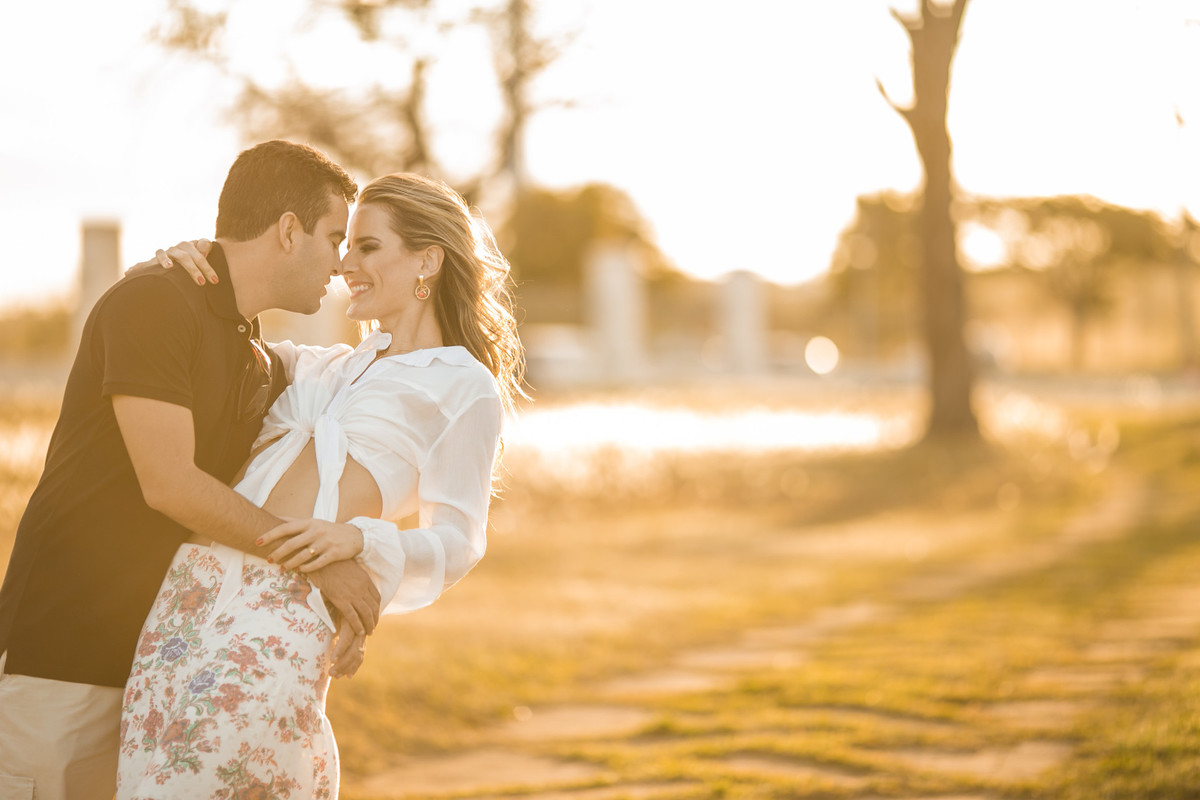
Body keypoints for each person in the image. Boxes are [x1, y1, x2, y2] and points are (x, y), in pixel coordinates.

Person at [115, 172, 524, 797]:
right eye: (345, 245)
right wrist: (184, 264)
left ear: (428, 260)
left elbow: (459, 540)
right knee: (148, 781)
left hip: (286, 603)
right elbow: (220, 324)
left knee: (204, 778)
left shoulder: (463, 385)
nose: (344, 264)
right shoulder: (326, 364)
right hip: (188, 591)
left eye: (367, 247)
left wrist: (360, 543)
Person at [0, 140, 382, 800]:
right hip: (59, 658)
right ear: (288, 231)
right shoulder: (154, 301)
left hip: (157, 668)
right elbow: (170, 483)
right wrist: (315, 561)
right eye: (333, 238)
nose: (342, 263)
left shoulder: (255, 355)